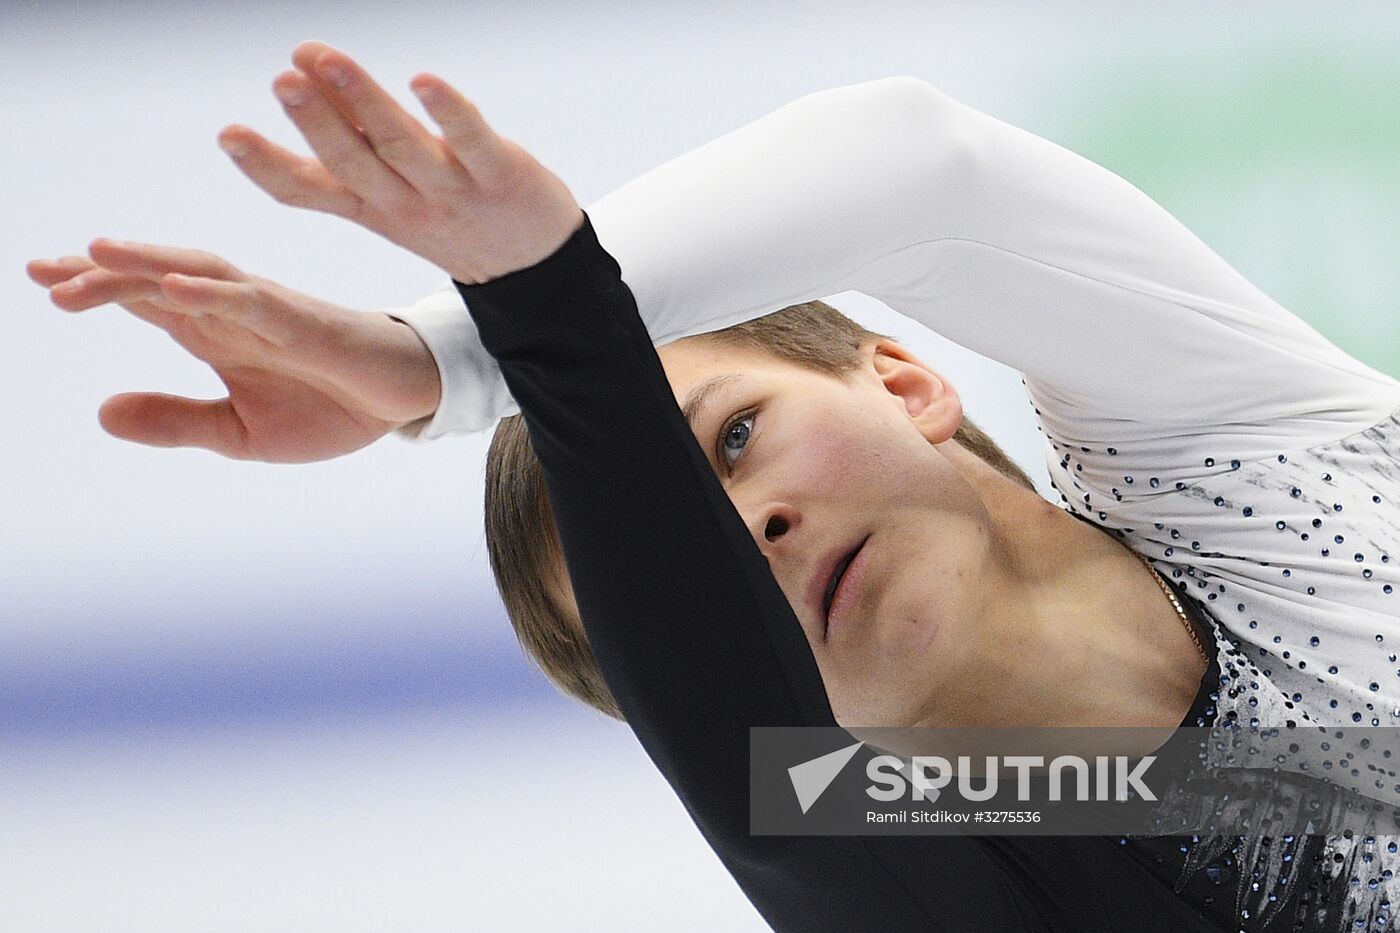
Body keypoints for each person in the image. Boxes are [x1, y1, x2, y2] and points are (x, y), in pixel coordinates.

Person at [27, 41, 1400, 932]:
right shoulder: (948, 875)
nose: (758, 535)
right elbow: (769, 788)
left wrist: (446, 356)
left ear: (906, 379)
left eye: (737, 437)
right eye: (703, 557)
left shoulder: (1243, 460)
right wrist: (546, 313)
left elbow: (924, 168)